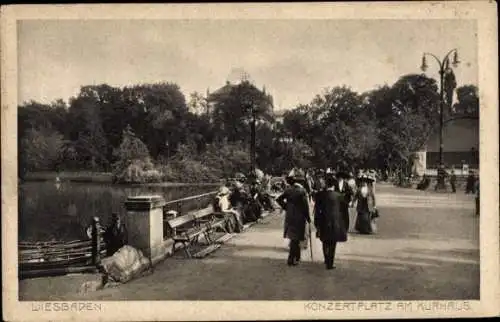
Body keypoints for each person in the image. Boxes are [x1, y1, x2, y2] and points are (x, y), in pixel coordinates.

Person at [276, 170, 311, 266]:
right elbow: (305, 206)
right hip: (299, 217)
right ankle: (291, 259)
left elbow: (278, 199)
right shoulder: (302, 191)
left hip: (290, 216)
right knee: (296, 238)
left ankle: (297, 256)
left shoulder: (288, 190)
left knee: (293, 237)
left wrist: (286, 207)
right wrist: (308, 218)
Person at [314, 174, 347, 269]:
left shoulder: (320, 195)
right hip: (335, 223)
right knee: (333, 243)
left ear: (326, 185)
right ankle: (330, 263)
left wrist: (317, 223)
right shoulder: (339, 196)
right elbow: (344, 211)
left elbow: (317, 210)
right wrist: (344, 224)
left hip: (323, 221)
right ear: (333, 185)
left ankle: (326, 258)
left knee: (324, 241)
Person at [336, 168, 354, 233]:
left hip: (345, 201)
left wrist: (346, 195)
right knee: (337, 215)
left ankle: (346, 228)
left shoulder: (346, 184)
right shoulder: (335, 184)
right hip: (337, 202)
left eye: (341, 177)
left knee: (345, 215)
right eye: (339, 177)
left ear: (343, 177)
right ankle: (338, 227)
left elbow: (351, 192)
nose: (340, 178)